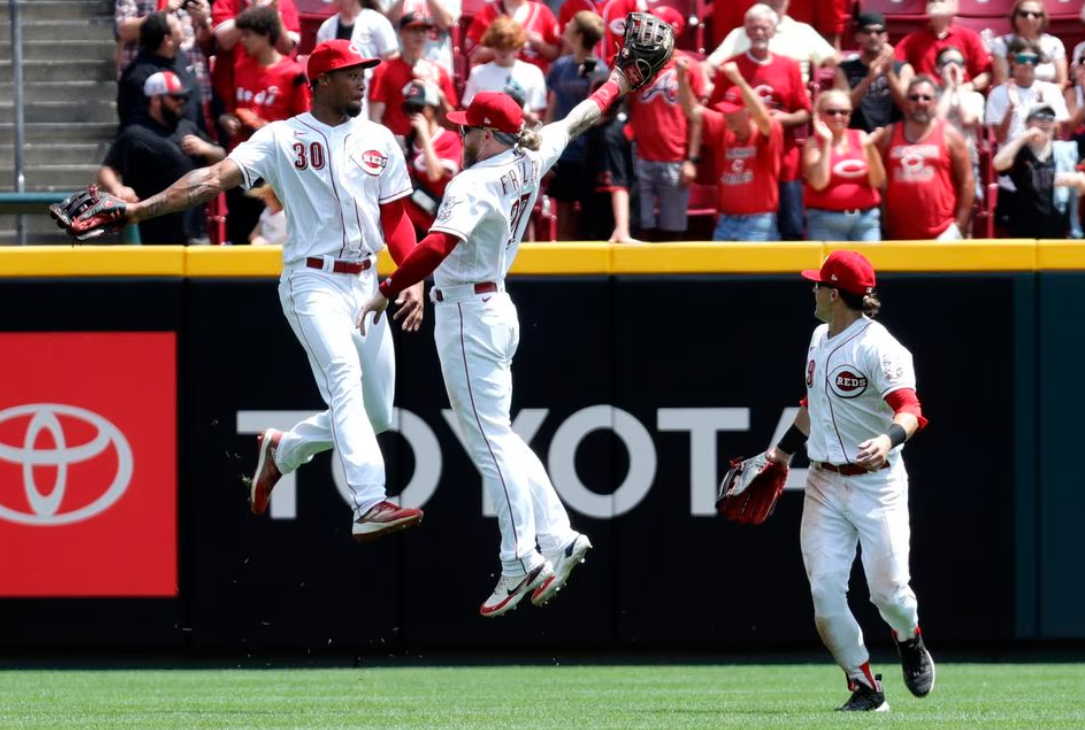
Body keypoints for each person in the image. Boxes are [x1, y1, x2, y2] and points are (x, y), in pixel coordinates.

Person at [78, 40, 429, 540]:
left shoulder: (380, 138)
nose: (362, 79)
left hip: (367, 283)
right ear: (322, 81)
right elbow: (211, 178)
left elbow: (395, 219)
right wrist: (138, 209)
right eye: (351, 72)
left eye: (364, 70)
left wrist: (409, 275)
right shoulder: (282, 138)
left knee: (375, 415)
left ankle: (283, 450)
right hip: (314, 281)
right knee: (343, 376)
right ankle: (369, 501)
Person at [355, 50, 663, 613]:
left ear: (490, 134)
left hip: (470, 314)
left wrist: (387, 286)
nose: (462, 133)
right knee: (501, 436)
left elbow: (438, 245)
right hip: (492, 306)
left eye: (469, 128)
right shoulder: (531, 152)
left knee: (490, 441)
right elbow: (580, 116)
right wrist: (619, 80)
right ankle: (558, 535)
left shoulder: (472, 183)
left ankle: (520, 558)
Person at [765, 248, 935, 713]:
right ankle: (864, 686)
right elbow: (812, 407)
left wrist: (888, 437)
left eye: (818, 283)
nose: (813, 289)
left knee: (889, 593)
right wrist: (780, 452)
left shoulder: (880, 347)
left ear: (835, 293)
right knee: (824, 593)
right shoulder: (820, 337)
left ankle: (909, 635)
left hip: (876, 482)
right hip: (823, 481)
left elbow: (911, 410)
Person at [704, 4, 811, 241]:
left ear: (773, 30)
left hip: (784, 157)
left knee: (792, 226)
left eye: (763, 28)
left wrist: (785, 119)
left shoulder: (789, 66)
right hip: (747, 158)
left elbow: (805, 112)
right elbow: (715, 111)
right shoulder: (731, 67)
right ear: (746, 31)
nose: (759, 33)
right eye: (753, 28)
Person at [98, 71, 225, 244]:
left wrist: (207, 149)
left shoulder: (188, 127)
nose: (181, 102)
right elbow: (107, 170)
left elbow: (222, 157)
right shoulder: (135, 134)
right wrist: (117, 187)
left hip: (195, 230)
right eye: (175, 97)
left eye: (183, 97)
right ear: (156, 99)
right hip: (154, 234)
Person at [220, 5, 311, 246]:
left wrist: (268, 128)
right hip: (241, 161)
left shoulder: (292, 74)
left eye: (248, 34)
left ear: (266, 35)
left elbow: (305, 124)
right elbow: (229, 108)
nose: (243, 40)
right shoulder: (239, 68)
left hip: (275, 166)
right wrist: (227, 119)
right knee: (239, 229)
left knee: (272, 235)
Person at [679, 59, 784, 241]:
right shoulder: (723, 127)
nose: (727, 115)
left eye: (733, 111)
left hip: (758, 223)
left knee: (757, 270)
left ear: (747, 112)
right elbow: (692, 111)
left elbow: (764, 120)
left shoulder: (767, 130)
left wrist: (738, 79)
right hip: (726, 220)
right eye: (725, 110)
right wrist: (681, 77)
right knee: (720, 270)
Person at [628, 6, 703, 241]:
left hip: (675, 158)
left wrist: (691, 160)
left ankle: (671, 279)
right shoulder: (636, 64)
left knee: (673, 230)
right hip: (640, 156)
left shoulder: (688, 66)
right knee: (641, 228)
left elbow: (697, 118)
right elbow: (627, 107)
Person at [877, 76, 974, 241]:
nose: (920, 102)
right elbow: (877, 181)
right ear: (906, 102)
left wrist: (959, 226)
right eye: (914, 97)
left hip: (943, 234)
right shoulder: (889, 134)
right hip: (898, 235)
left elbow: (967, 182)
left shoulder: (950, 135)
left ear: (935, 102)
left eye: (926, 97)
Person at [545, 10, 606, 239]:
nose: (566, 24)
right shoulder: (560, 67)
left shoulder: (599, 71)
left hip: (589, 154)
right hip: (563, 151)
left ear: (579, 35)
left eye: (571, 23)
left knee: (588, 213)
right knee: (563, 210)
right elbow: (552, 107)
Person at [993, 102, 1084, 239]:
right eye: (1039, 117)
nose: (1045, 121)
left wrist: (1077, 180)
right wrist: (1023, 137)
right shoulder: (1019, 152)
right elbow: (998, 164)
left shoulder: (1066, 151)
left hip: (1059, 236)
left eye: (1050, 118)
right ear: (1027, 123)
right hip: (1025, 236)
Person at [802, 90, 884, 241]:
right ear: (819, 115)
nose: (838, 116)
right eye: (831, 112)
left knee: (869, 265)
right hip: (826, 222)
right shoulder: (814, 143)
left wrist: (870, 147)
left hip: (865, 220)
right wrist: (827, 142)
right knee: (831, 265)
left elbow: (877, 181)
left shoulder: (861, 136)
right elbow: (818, 183)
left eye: (844, 112)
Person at [368, 12, 459, 137]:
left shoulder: (439, 72)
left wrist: (438, 93)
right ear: (400, 33)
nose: (419, 34)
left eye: (423, 30)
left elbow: (451, 123)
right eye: (413, 29)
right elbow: (375, 116)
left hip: (430, 143)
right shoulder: (384, 69)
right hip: (396, 141)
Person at [705, 0, 838, 85]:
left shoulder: (804, 32)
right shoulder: (739, 34)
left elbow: (837, 63)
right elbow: (708, 66)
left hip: (791, 104)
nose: (774, 2)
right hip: (746, 103)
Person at [117, 11, 204, 131]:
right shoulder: (139, 76)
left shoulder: (182, 59)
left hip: (196, 139)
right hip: (166, 145)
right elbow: (138, 128)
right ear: (167, 39)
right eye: (177, 24)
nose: (182, 26)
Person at [834, 12, 913, 134]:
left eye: (879, 32)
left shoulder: (903, 68)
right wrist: (868, 79)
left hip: (894, 136)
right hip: (858, 135)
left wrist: (889, 73)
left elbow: (907, 106)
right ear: (857, 37)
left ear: (886, 37)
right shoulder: (844, 70)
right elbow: (842, 108)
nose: (873, 36)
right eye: (867, 32)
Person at [402, 81, 463, 232]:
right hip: (409, 226)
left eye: (417, 108)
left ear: (431, 109)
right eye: (408, 109)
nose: (411, 114)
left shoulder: (449, 139)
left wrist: (424, 137)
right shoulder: (406, 142)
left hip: (435, 226)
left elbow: (435, 174)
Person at [462, 17, 549, 123]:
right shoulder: (478, 73)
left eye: (509, 46)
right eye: (499, 46)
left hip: (522, 134)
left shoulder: (533, 73)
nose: (504, 52)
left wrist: (521, 113)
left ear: (518, 45)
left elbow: (538, 117)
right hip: (488, 135)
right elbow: (469, 112)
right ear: (491, 45)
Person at [893, 0, 991, 93]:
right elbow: (893, 62)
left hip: (961, 95)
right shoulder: (913, 40)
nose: (936, 2)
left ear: (955, 4)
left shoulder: (969, 37)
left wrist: (968, 87)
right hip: (927, 100)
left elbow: (986, 74)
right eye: (932, 0)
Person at [466, 0, 562, 74]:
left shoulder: (542, 12)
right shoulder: (487, 12)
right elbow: (473, 55)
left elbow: (557, 54)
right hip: (495, 80)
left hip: (532, 81)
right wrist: (502, 47)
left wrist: (540, 45)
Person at [990, 0, 1066, 88]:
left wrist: (1045, 97)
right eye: (1024, 14)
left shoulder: (1054, 43)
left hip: (1048, 97)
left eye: (1036, 15)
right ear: (1015, 17)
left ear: (1043, 19)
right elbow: (1002, 82)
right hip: (1013, 96)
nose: (1030, 18)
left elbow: (1062, 83)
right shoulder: (1002, 43)